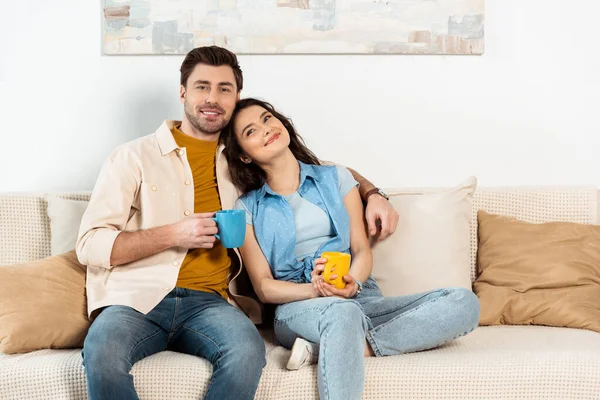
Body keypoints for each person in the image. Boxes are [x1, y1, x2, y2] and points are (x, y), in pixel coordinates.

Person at [76, 46, 399, 400]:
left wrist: (372, 192)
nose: (212, 98)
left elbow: (316, 170)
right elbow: (89, 245)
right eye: (202, 87)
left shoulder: (244, 157)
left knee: (247, 352)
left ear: (236, 97)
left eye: (224, 88)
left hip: (212, 303)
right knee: (102, 351)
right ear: (182, 92)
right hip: (137, 298)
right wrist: (173, 234)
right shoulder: (132, 157)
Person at [221, 97, 481, 400]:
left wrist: (352, 283)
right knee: (342, 314)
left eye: (267, 119)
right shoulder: (247, 208)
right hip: (298, 306)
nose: (266, 130)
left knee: (463, 302)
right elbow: (265, 288)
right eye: (251, 131)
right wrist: (319, 291)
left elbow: (361, 250)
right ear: (244, 156)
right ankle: (339, 337)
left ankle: (327, 349)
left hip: (359, 295)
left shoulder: (337, 178)